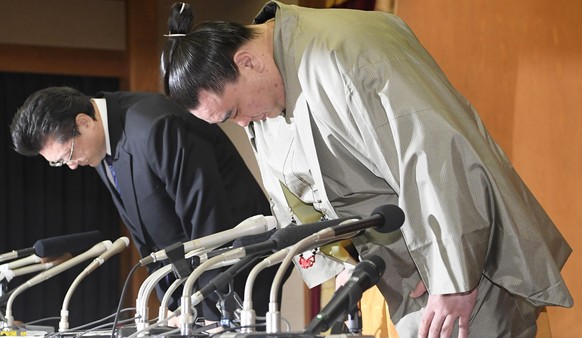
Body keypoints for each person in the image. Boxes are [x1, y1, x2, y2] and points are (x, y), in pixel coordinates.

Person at [160, 1, 574, 337]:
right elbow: (299, 192)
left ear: (247, 62)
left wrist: (454, 278)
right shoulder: (273, 83)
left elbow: (433, 156)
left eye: (234, 111)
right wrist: (342, 266)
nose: (243, 124)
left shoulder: (347, 51)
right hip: (399, 274)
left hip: (460, 262)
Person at [10, 86, 277, 326]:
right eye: (58, 163)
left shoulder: (155, 125)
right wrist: (171, 305)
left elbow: (207, 219)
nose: (70, 165)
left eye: (67, 155)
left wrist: (206, 308)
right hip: (193, 286)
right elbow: (147, 237)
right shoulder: (100, 142)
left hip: (236, 270)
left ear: (84, 121)